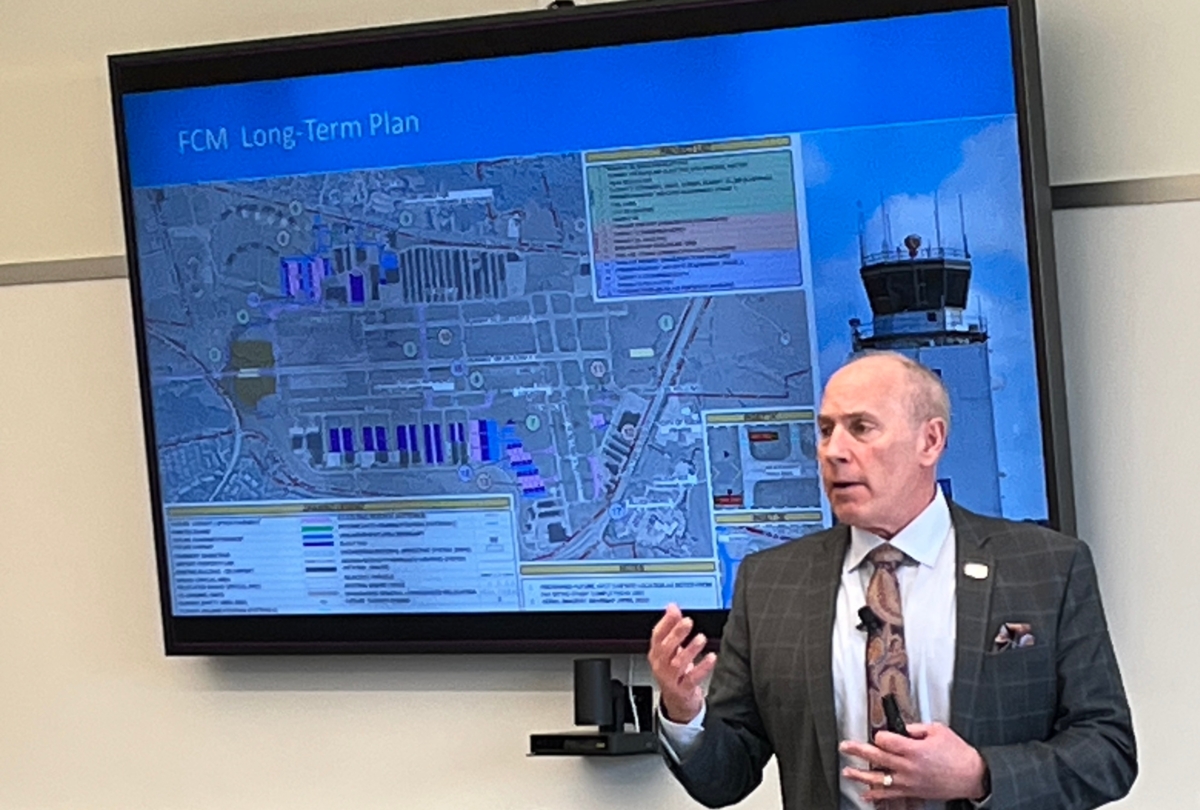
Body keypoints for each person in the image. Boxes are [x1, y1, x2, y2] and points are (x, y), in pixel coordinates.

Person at [648, 352, 1135, 810]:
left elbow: (1108, 751)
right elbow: (726, 778)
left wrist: (979, 775)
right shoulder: (770, 583)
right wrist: (684, 713)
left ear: (930, 441)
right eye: (826, 430)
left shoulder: (1045, 567)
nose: (834, 451)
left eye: (861, 428)